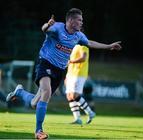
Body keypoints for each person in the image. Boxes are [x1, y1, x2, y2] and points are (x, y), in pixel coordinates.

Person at [6, 8, 122, 139]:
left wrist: (109, 46)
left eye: (82, 20)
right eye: (79, 20)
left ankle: (20, 92)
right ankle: (39, 131)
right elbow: (45, 29)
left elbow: (89, 43)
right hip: (45, 63)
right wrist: (47, 25)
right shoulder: (57, 28)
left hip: (59, 70)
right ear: (71, 21)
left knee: (34, 103)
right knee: (47, 92)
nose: (81, 23)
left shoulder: (78, 36)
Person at [65, 44, 95, 125]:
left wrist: (71, 61)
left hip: (79, 73)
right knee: (69, 96)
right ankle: (77, 118)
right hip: (71, 74)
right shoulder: (74, 46)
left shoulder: (83, 46)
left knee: (75, 95)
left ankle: (90, 113)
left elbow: (83, 58)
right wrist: (67, 76)